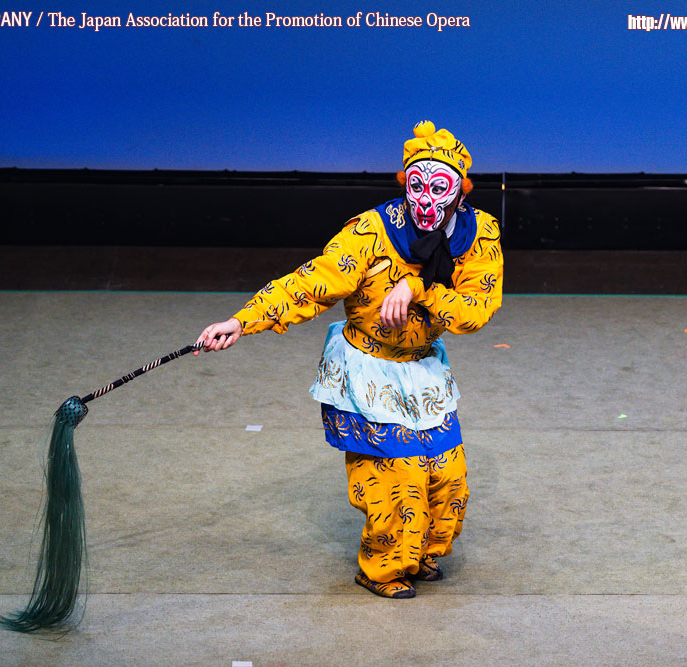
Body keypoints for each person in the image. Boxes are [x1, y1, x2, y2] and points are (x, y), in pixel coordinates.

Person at [196, 121, 503, 598]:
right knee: (397, 480)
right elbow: (310, 282)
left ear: (461, 191)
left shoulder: (478, 234)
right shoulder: (370, 234)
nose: (425, 200)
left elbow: (475, 311)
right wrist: (243, 320)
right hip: (369, 371)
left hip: (423, 368)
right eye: (416, 186)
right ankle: (382, 569)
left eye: (439, 188)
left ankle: (422, 554)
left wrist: (419, 288)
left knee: (448, 477)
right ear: (404, 184)